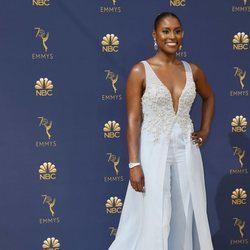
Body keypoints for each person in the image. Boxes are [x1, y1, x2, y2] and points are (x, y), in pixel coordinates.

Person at [109, 12, 214, 250]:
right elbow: (133, 120)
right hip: (152, 154)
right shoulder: (140, 71)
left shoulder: (193, 71)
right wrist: (133, 164)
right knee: (155, 217)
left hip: (187, 152)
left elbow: (209, 97)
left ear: (182, 35)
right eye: (166, 31)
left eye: (177, 31)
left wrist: (205, 129)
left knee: (186, 213)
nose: (172, 36)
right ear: (154, 35)